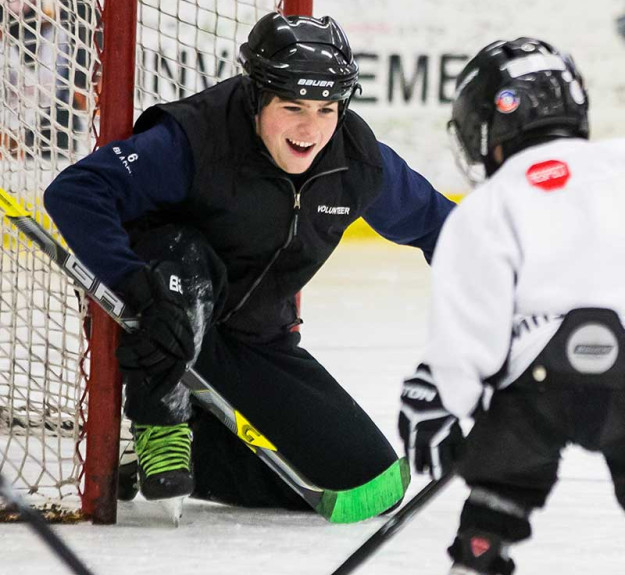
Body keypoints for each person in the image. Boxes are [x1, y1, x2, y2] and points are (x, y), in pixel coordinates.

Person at [44, 12, 454, 511]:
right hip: (160, 316)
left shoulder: (358, 163)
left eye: (328, 108)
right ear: (258, 94)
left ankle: (201, 448)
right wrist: (132, 283)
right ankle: (159, 424)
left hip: (254, 340)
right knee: (186, 261)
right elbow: (77, 190)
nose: (311, 129)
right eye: (293, 106)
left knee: (369, 484)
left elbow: (445, 229)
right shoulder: (194, 139)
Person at [398, 36, 625, 574]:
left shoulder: (487, 208)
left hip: (537, 383)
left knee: (503, 480)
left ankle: (481, 547)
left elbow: (469, 335)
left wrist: (443, 395)